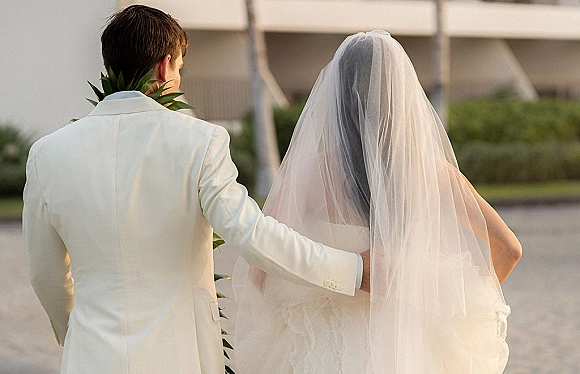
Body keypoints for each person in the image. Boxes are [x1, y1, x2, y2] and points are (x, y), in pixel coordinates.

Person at [22, 5, 370, 374]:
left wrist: (76, 331)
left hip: (89, 358)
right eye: (180, 70)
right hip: (180, 355)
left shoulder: (47, 154)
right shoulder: (200, 141)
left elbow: (45, 273)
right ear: (164, 66)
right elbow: (254, 236)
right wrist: (354, 270)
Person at [233, 30, 522, 373]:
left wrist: (323, 287)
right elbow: (508, 248)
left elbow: (260, 271)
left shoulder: (310, 174)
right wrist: (451, 301)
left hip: (327, 348)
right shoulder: (433, 173)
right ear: (401, 95)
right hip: (413, 344)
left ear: (337, 96)